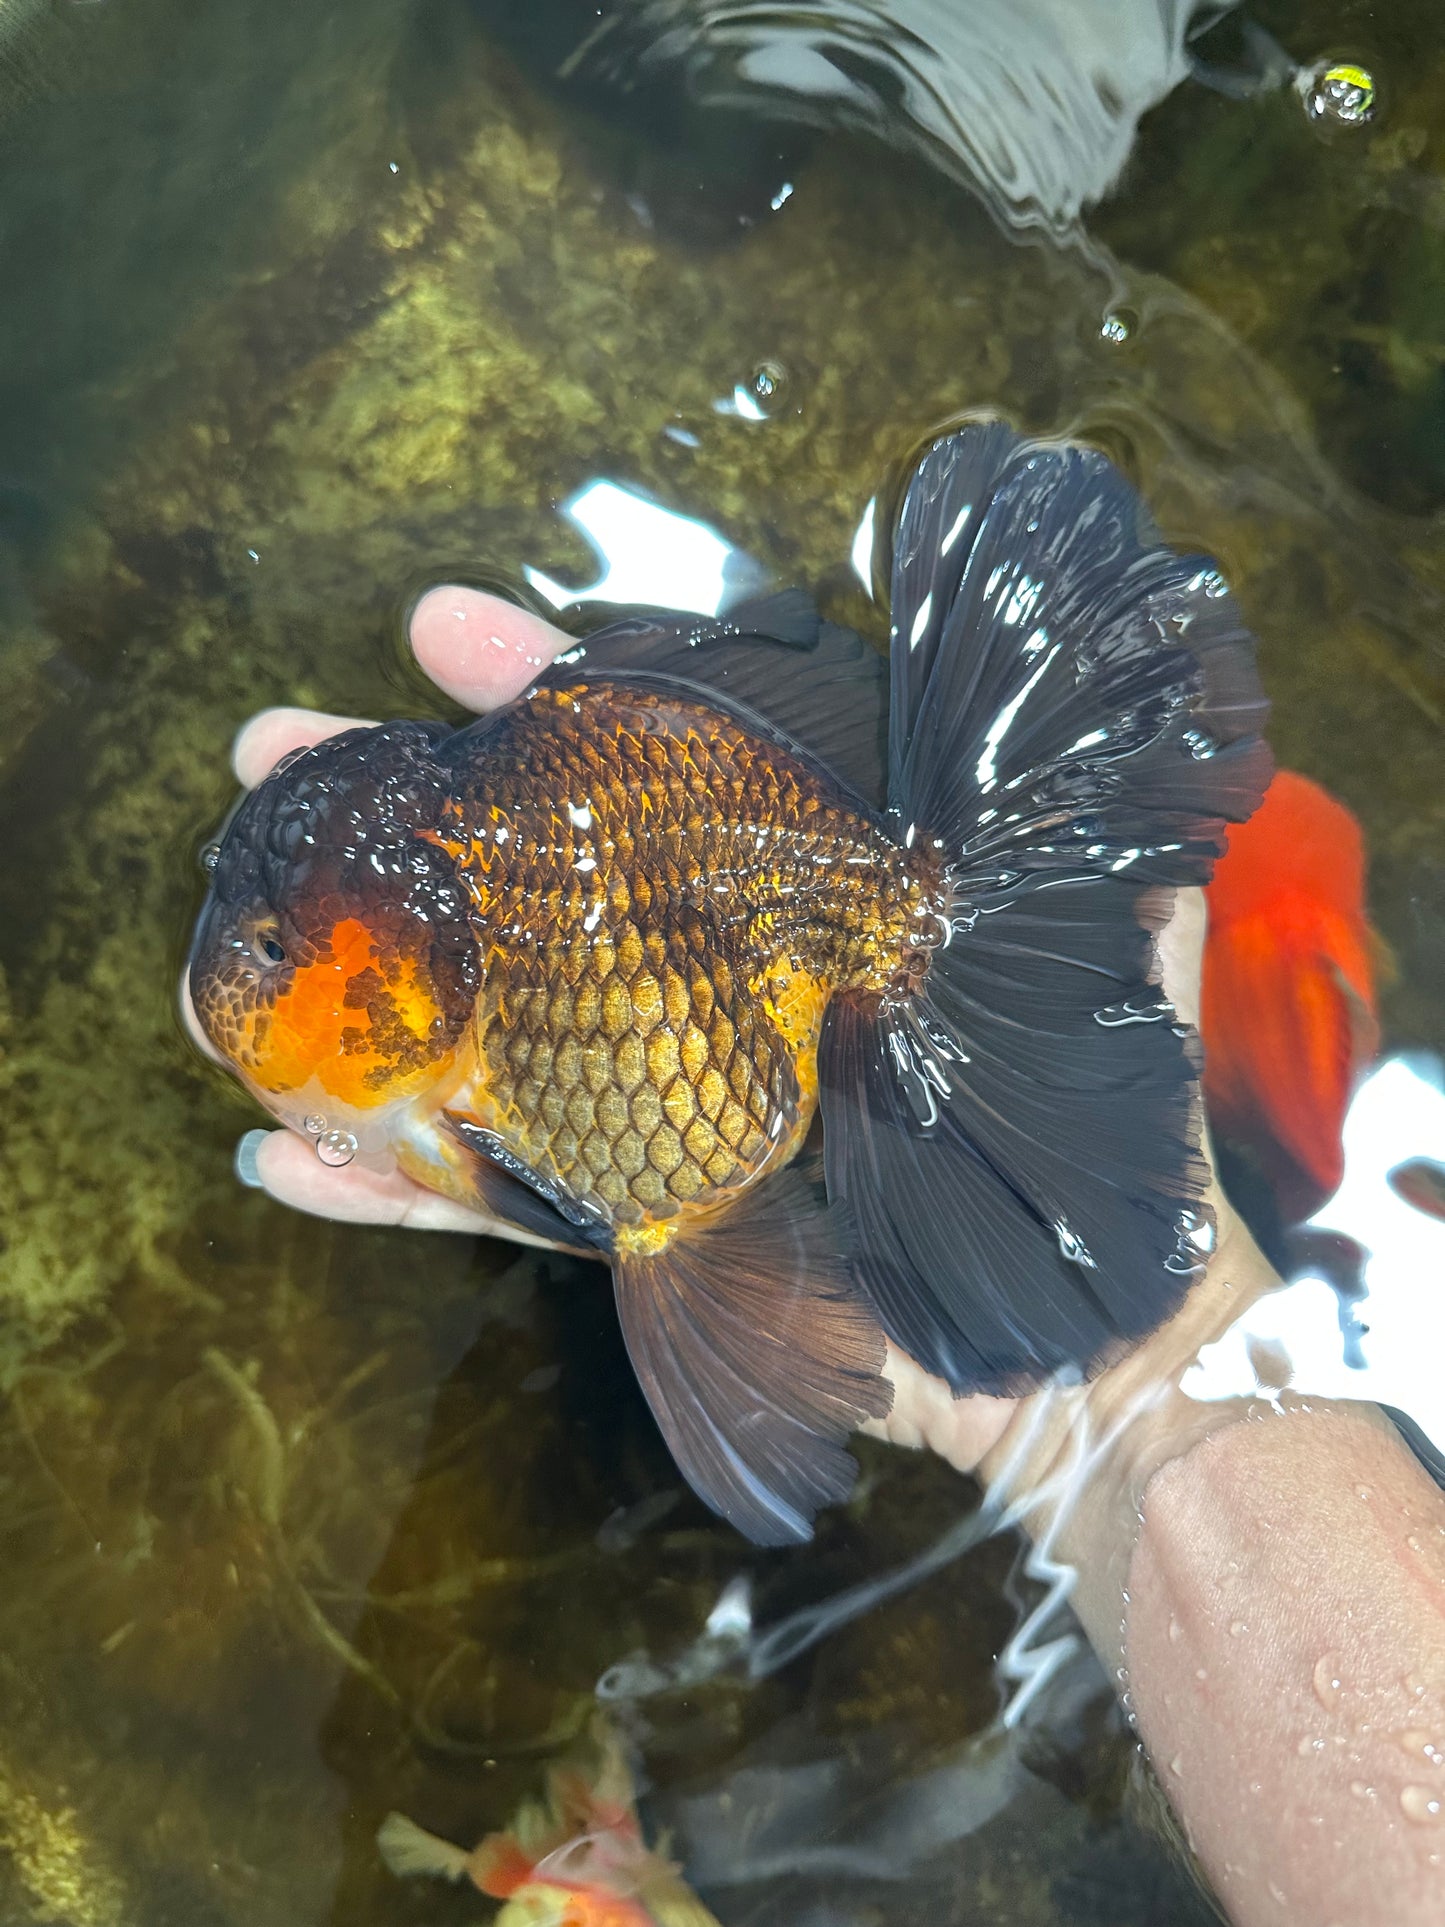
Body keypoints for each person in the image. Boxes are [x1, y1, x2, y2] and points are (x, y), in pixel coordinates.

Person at [187, 585, 1445, 1926]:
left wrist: (1130, 1388)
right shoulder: (438, 1040)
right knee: (654, 1228)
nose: (245, 976)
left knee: (654, 1223)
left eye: (273, 949)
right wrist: (1131, 1392)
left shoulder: (468, 1059)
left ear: (402, 980)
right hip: (761, 991)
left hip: (795, 961)